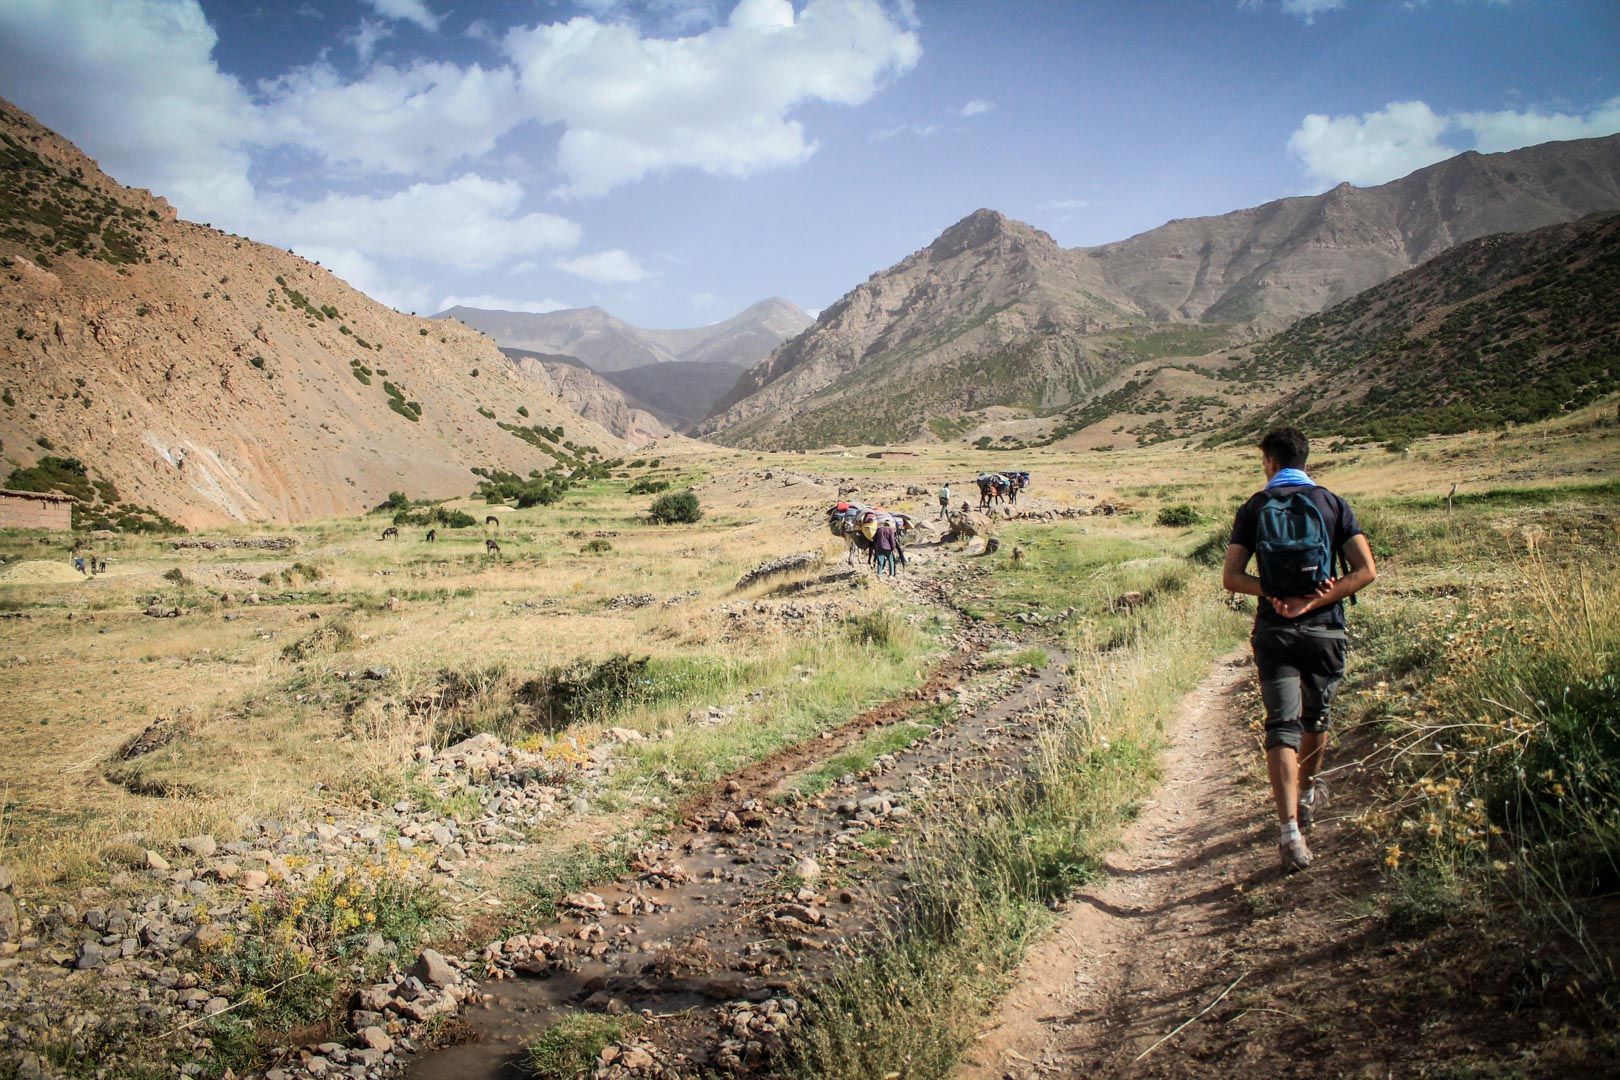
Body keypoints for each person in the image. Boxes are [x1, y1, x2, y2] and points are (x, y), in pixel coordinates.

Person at [1222, 427, 1377, 874]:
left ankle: (1289, 832)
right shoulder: (1332, 503)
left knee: (1281, 725)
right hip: (1325, 630)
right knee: (1316, 718)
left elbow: (1232, 578)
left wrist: (1272, 594)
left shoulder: (1254, 507)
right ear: (1305, 461)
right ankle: (1307, 794)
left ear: (1269, 462)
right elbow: (1366, 571)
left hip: (1275, 633)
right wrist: (1316, 600)